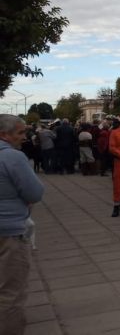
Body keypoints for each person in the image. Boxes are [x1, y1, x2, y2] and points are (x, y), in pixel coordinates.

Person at [0, 115, 45, 334]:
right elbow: (34, 192)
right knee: (11, 291)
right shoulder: (12, 157)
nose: (24, 137)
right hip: (9, 230)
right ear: (4, 135)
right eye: (19, 133)